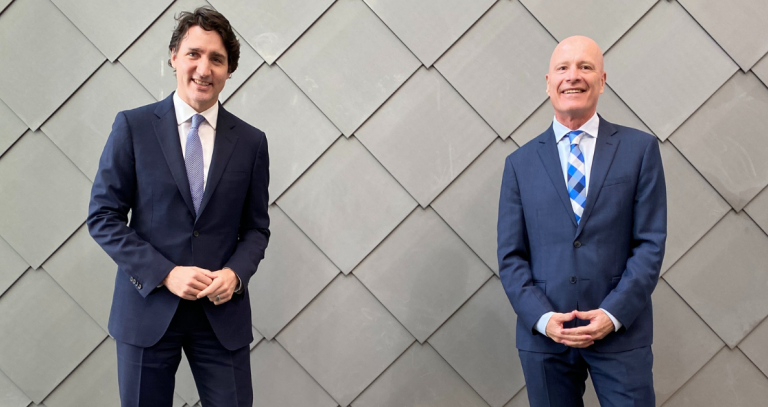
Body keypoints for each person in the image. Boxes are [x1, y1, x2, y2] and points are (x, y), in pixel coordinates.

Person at [87, 7, 269, 406]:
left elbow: (256, 228)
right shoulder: (132, 128)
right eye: (194, 54)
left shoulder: (252, 143)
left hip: (222, 316)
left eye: (216, 59)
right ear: (174, 57)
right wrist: (166, 273)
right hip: (147, 309)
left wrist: (235, 274)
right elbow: (103, 217)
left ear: (229, 70)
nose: (204, 69)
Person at [497, 35, 666, 406]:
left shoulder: (640, 150)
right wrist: (542, 318)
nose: (573, 76)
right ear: (548, 83)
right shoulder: (519, 165)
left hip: (621, 335)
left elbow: (650, 245)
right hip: (545, 340)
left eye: (585, 67)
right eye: (563, 68)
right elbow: (511, 257)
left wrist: (611, 314)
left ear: (602, 80)